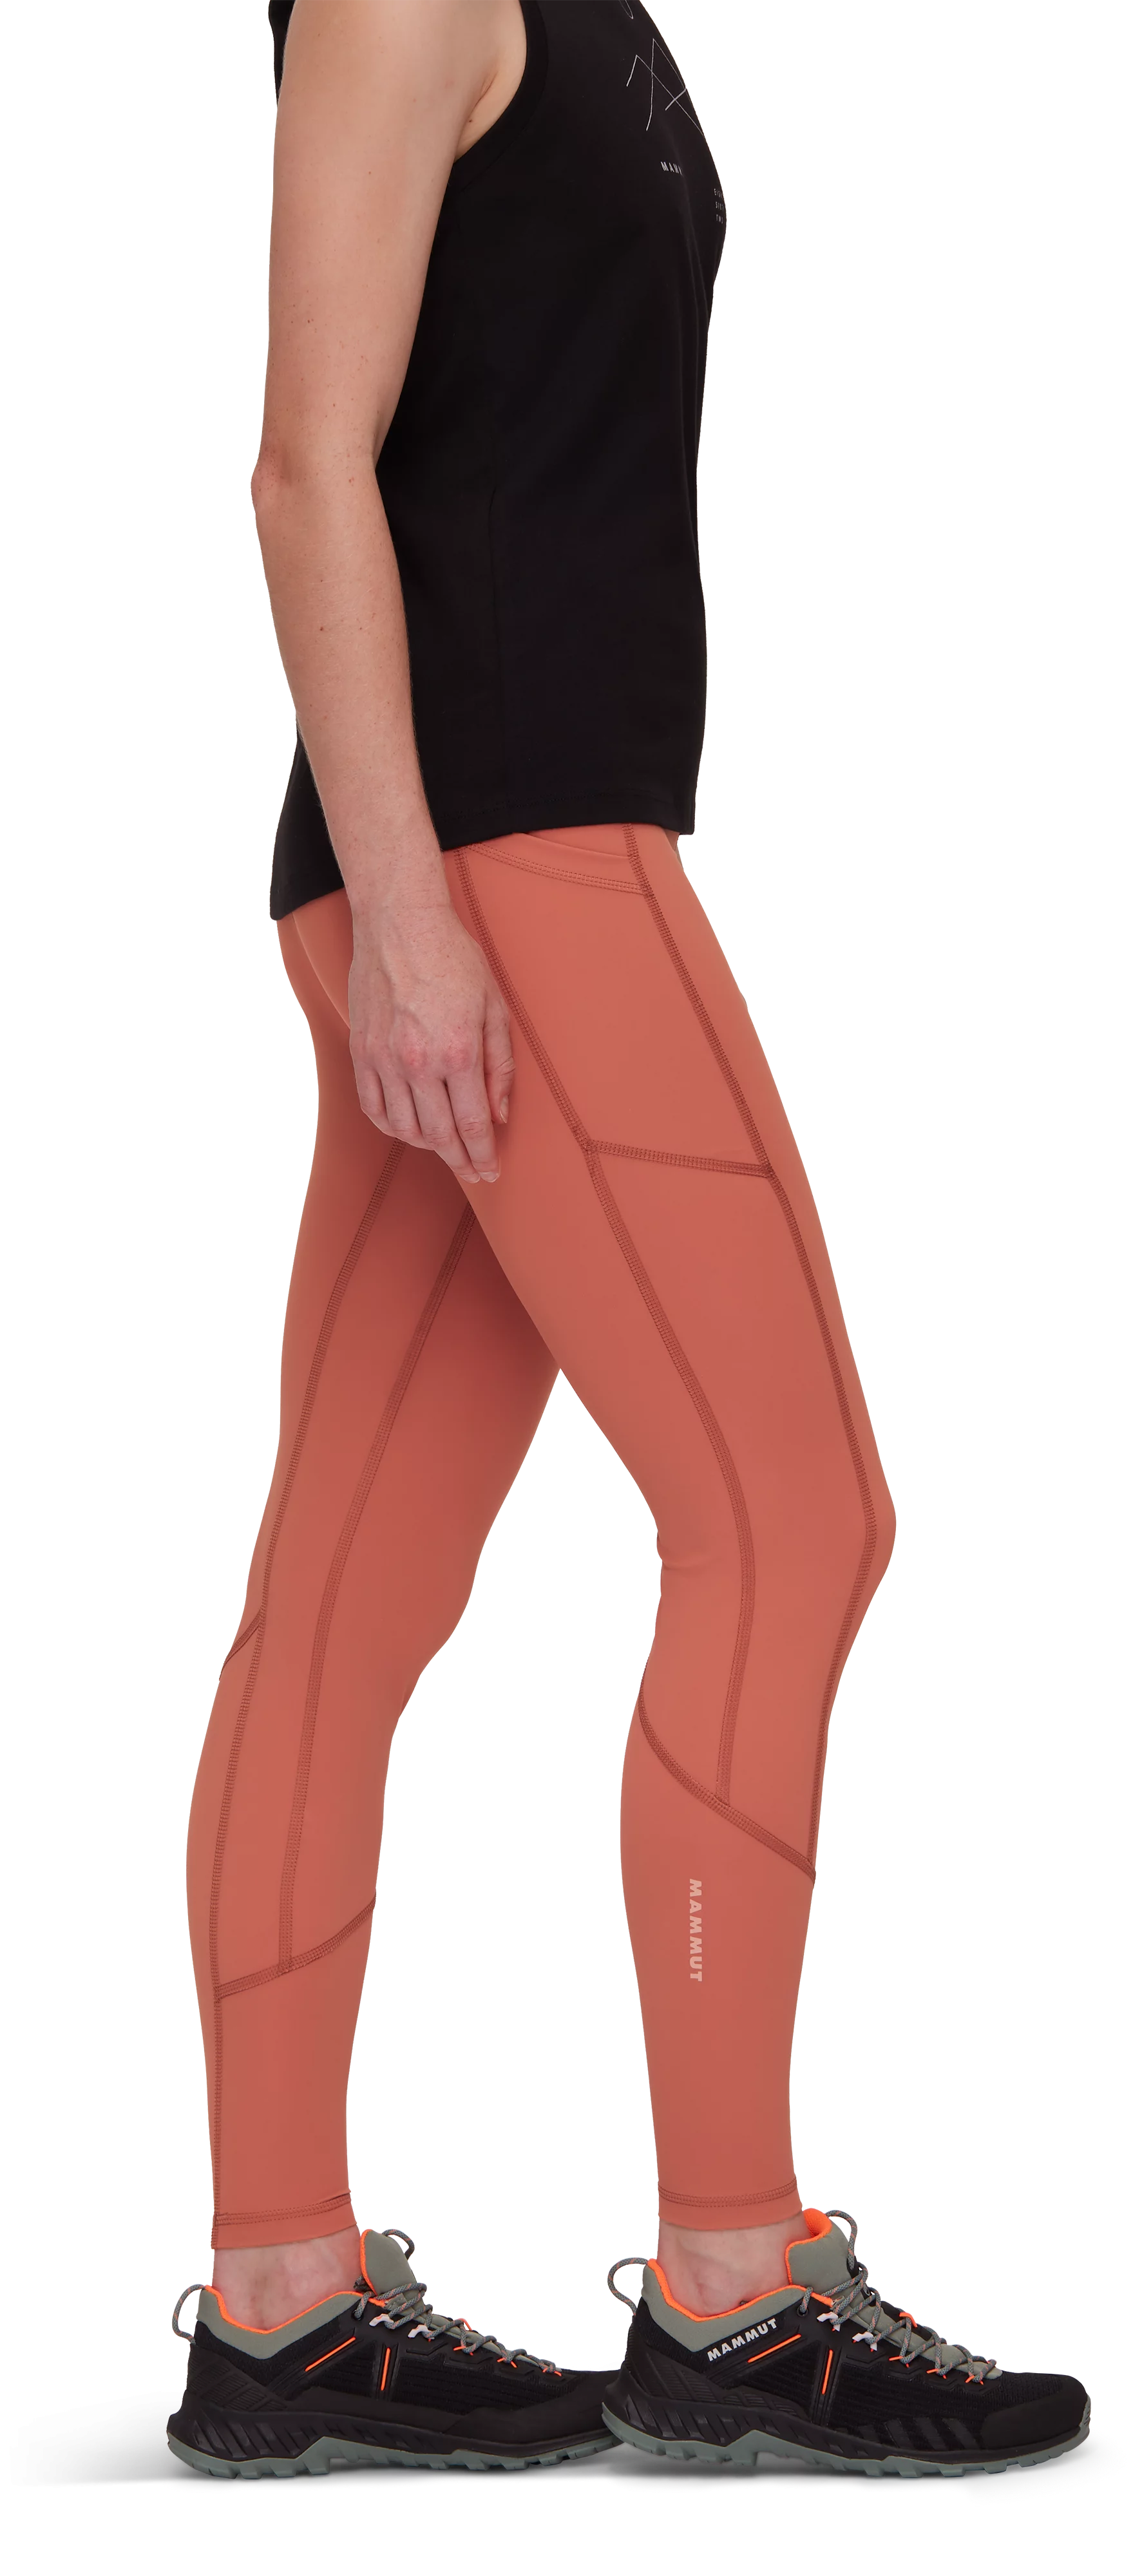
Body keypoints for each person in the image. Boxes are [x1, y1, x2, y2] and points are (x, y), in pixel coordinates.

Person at [167, 0, 1090, 2482]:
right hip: (506, 863)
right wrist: (418, 918)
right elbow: (302, 464)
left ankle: (276, 2305)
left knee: (344, 1587)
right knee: (796, 1518)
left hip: (478, 858)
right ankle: (729, 2285)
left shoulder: (596, 16)